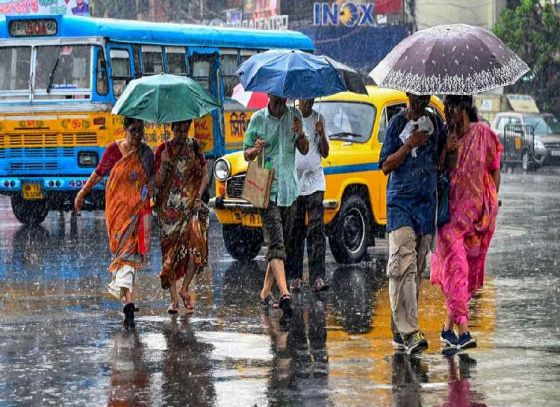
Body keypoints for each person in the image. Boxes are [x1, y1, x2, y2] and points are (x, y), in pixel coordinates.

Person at [431, 95, 502, 350]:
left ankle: (447, 329)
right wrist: (447, 151)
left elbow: (495, 165)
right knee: (457, 269)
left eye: (454, 107)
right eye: (447, 107)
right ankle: (464, 332)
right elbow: (437, 171)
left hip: (476, 219)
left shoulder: (483, 133)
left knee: (466, 276)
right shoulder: (444, 135)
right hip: (449, 218)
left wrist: (492, 198)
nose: (450, 112)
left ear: (464, 107)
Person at [379, 93, 446, 354]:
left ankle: (399, 327)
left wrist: (447, 148)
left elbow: (438, 165)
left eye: (425, 97)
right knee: (402, 266)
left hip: (424, 208)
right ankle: (410, 331)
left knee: (415, 270)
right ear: (408, 95)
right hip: (400, 205)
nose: (421, 101)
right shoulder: (397, 124)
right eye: (417, 97)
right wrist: (409, 144)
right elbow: (385, 165)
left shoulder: (435, 124)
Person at [74, 117, 154, 329]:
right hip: (117, 211)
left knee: (129, 254)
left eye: (141, 131)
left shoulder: (146, 154)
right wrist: (82, 193)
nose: (138, 135)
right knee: (124, 255)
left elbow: (152, 180)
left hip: (137, 210)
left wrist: (152, 192)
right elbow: (99, 173)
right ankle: (127, 298)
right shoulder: (113, 150)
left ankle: (128, 300)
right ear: (125, 129)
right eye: (134, 130)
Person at [243, 94, 309, 320]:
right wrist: (255, 149)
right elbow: (246, 153)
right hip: (267, 190)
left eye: (283, 96)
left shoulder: (295, 116)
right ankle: (284, 293)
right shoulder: (258, 120)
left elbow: (305, 149)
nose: (280, 100)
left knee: (280, 246)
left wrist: (300, 132)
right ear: (269, 95)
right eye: (276, 95)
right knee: (276, 243)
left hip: (290, 190)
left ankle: (264, 292)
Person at [154, 120, 209, 314]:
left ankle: (185, 288)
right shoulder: (163, 149)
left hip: (191, 207)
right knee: (170, 255)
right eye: (178, 129)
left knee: (197, 246)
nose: (182, 133)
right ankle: (174, 300)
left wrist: (199, 195)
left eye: (185, 129)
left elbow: (204, 173)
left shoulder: (194, 146)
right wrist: (164, 164)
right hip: (168, 211)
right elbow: (157, 182)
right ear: (172, 128)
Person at [288, 98, 329, 293]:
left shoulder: (319, 118)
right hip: (295, 182)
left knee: (316, 229)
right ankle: (295, 276)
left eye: (311, 99)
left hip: (315, 181)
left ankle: (318, 277)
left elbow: (325, 153)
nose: (309, 103)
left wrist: (321, 135)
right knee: (295, 230)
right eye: (305, 99)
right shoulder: (291, 118)